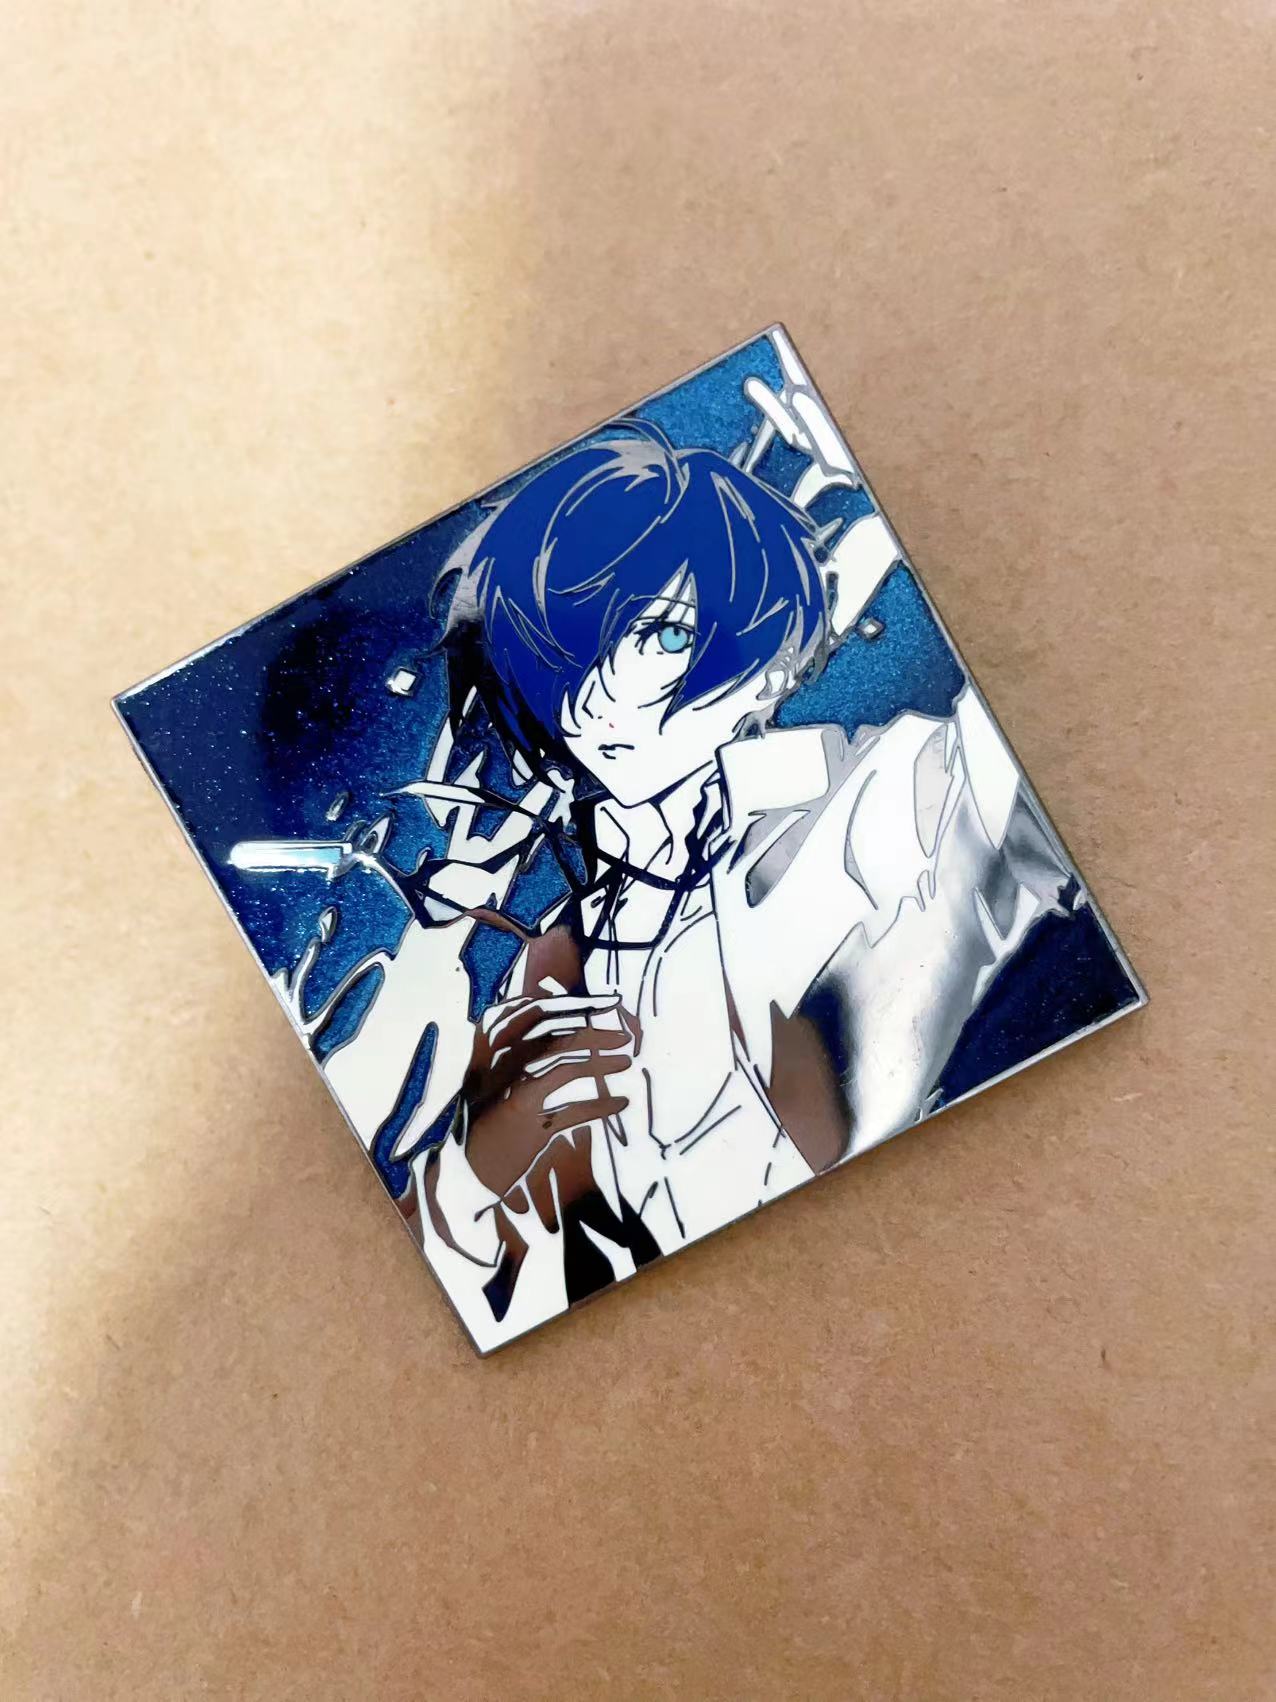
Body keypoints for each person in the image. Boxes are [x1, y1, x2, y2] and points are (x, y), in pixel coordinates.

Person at [322, 421, 1070, 1351]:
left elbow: (1065, 767)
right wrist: (481, 1169)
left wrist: (935, 511)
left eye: (666, 635)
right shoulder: (555, 962)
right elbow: (458, 1291)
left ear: (771, 664)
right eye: (572, 644)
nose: (603, 691)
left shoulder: (885, 796)